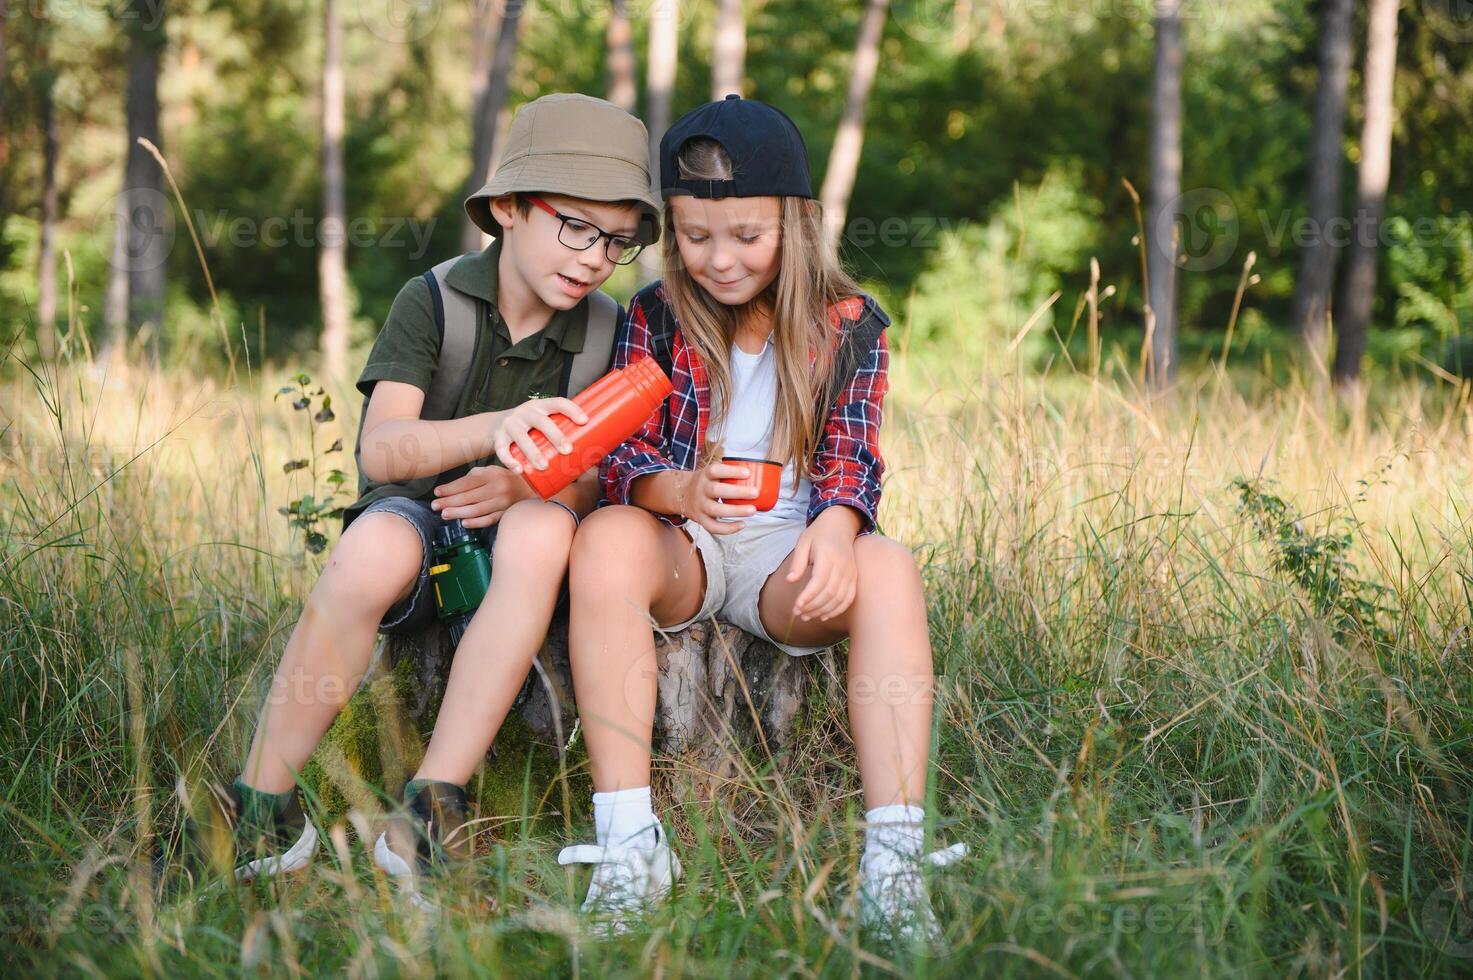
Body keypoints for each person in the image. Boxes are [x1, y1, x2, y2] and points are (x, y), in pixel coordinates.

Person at [181, 94, 660, 909]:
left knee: (544, 529)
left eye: (615, 241)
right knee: (370, 553)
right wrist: (496, 428)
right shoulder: (433, 299)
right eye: (575, 226)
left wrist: (523, 482)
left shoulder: (606, 329)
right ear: (508, 209)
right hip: (413, 520)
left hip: (521, 539)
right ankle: (264, 805)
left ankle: (429, 806)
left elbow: (598, 477)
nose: (591, 258)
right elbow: (383, 448)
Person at [557, 95, 965, 945]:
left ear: (795, 224)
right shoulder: (657, 317)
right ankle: (629, 843)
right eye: (695, 237)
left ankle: (891, 865)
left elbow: (854, 451)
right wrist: (677, 493)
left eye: (746, 236)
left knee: (890, 566)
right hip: (689, 545)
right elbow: (621, 454)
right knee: (602, 538)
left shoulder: (850, 325)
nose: (719, 260)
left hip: (790, 554)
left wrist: (835, 525)